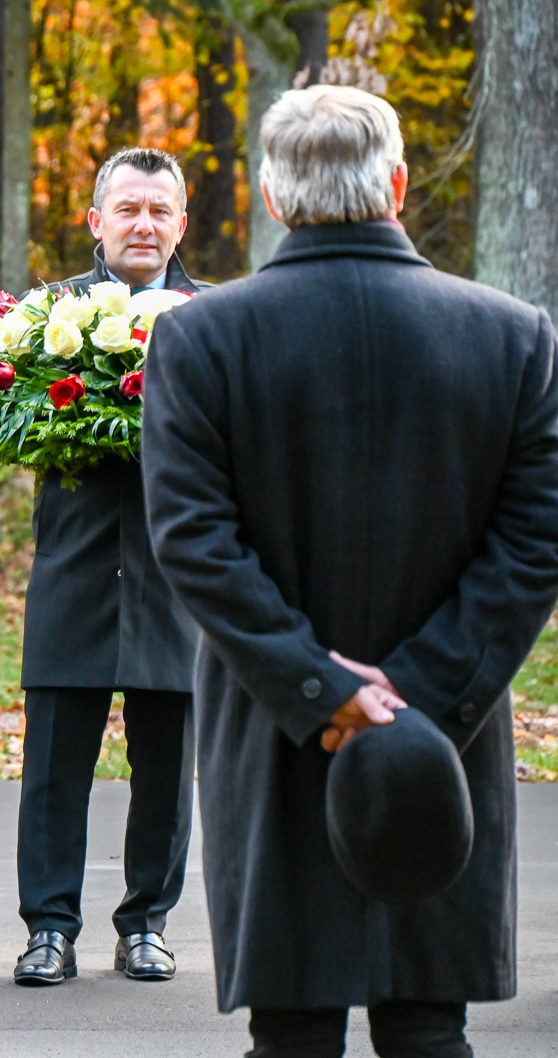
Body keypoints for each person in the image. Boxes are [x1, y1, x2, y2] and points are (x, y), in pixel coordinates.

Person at [142, 84, 558, 1057]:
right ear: (399, 184)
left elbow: (192, 541)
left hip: (278, 727)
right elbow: (534, 541)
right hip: (440, 736)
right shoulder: (512, 334)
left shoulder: (202, 336)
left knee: (289, 1032)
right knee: (427, 1024)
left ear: (272, 199)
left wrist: (324, 691)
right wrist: (416, 697)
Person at [10, 147, 202, 987]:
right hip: (75, 567)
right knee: (55, 768)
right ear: (96, 220)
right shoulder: (43, 319)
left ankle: (146, 925)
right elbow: (8, 428)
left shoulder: (217, 319)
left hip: (180, 578)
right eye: (127, 209)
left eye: (159, 211)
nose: (143, 225)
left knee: (166, 770)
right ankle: (48, 928)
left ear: (181, 224)